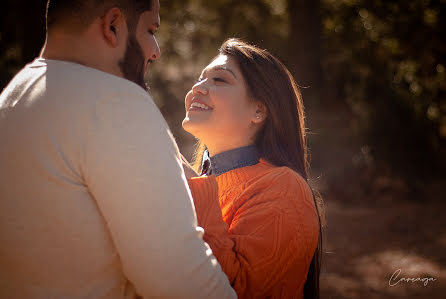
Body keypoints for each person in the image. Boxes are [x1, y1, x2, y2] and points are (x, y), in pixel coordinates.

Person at [0, 1, 236, 298]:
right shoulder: (114, 101)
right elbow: (183, 281)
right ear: (113, 25)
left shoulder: (14, 96)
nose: (156, 51)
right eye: (150, 30)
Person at [182, 38, 324, 299]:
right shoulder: (195, 177)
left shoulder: (285, 188)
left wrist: (186, 179)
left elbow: (233, 289)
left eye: (219, 80)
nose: (197, 88)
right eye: (200, 78)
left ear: (258, 111)